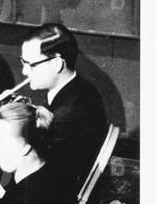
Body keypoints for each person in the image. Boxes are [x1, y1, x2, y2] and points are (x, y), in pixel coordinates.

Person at [18, 23, 108, 193]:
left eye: (31, 65)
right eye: (22, 62)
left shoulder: (69, 115)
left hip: (55, 196)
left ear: (58, 63)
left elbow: (39, 175)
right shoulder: (80, 89)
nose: (24, 71)